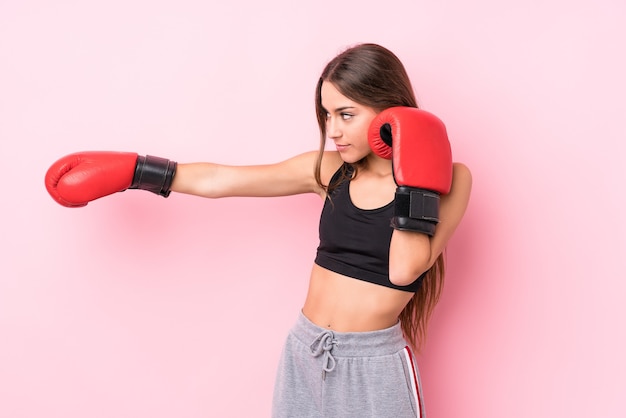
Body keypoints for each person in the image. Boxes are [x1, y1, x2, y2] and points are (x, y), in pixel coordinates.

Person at [45, 43, 472, 417]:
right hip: (306, 350)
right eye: (328, 115)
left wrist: (416, 172)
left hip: (372, 365)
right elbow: (222, 180)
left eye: (347, 114)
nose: (335, 130)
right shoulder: (329, 170)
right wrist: (137, 171)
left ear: (390, 113)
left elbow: (403, 268)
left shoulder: (450, 179)